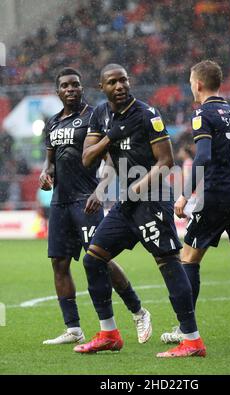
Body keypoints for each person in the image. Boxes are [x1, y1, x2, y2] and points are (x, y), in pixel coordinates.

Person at [74, 63, 205, 358]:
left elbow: (166, 161)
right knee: (93, 259)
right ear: (102, 87)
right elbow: (87, 159)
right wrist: (111, 136)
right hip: (128, 203)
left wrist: (137, 187)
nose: (119, 86)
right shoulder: (100, 115)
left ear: (129, 82)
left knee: (168, 263)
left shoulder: (147, 114)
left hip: (153, 198)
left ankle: (192, 340)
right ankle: (109, 333)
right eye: (112, 82)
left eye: (123, 80)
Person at [161, 60, 230, 348]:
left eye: (190, 81)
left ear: (197, 84)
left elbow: (202, 157)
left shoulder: (203, 114)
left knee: (188, 258)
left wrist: (185, 195)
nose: (190, 86)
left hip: (217, 195)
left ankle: (186, 329)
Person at [39, 67, 151, 345]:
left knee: (100, 259)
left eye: (75, 85)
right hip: (60, 202)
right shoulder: (52, 123)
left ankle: (138, 311)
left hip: (86, 200)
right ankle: (73, 328)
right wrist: (46, 173)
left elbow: (111, 160)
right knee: (59, 263)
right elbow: (50, 159)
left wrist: (101, 190)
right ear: (58, 92)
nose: (71, 89)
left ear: (82, 87)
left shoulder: (94, 117)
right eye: (65, 86)